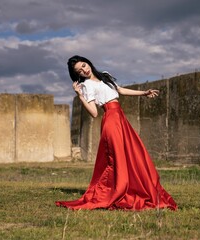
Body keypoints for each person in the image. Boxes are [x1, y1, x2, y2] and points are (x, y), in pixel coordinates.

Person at [55, 55, 177, 211]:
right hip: (110, 120)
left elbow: (120, 90)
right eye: (79, 71)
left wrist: (144, 93)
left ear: (88, 63)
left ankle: (132, 187)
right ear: (78, 74)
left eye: (84, 65)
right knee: (117, 157)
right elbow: (93, 112)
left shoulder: (105, 75)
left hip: (120, 118)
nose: (84, 70)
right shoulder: (86, 86)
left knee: (133, 154)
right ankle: (117, 190)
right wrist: (80, 95)